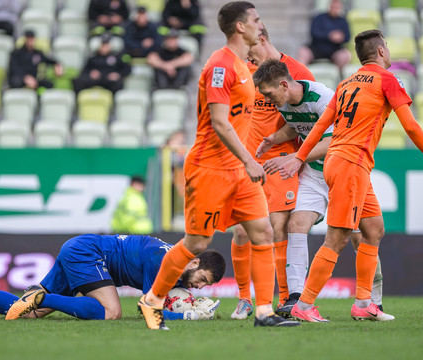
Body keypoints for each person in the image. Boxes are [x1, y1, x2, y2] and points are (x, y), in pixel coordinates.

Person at [137, 1, 300, 330]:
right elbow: (220, 123)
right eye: (254, 20)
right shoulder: (221, 65)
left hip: (238, 172)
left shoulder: (243, 65)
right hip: (211, 169)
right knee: (196, 243)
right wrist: (250, 160)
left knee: (263, 231)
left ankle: (264, 311)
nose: (260, 25)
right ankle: (153, 300)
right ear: (240, 26)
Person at [281, 29, 423, 322]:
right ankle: (304, 306)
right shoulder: (388, 79)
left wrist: (298, 157)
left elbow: (320, 127)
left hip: (340, 161)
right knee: (338, 238)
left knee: (373, 229)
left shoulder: (345, 83)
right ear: (382, 52)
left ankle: (363, 303)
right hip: (351, 164)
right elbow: (409, 126)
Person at [253, 59, 386, 318]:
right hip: (315, 174)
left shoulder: (322, 97)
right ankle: (295, 298)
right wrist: (273, 139)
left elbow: (337, 139)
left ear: (283, 84)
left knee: (362, 237)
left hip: (345, 171)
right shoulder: (284, 104)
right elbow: (297, 127)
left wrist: (295, 158)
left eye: (269, 94)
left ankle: (373, 300)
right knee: (296, 224)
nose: (268, 100)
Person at [229, 25, 315, 320]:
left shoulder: (298, 71)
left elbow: (311, 118)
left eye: (250, 49)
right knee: (241, 230)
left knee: (277, 227)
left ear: (262, 40)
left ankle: (283, 298)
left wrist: (299, 157)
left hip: (280, 160)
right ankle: (243, 299)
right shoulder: (242, 71)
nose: (247, 55)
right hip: (248, 161)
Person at [0, 234, 225, 321]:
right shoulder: (165, 261)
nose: (200, 286)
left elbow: (168, 296)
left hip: (81, 250)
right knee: (111, 312)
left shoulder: (178, 266)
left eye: (205, 286)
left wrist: (188, 299)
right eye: (202, 278)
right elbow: (147, 309)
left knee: (31, 313)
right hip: (88, 253)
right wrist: (186, 316)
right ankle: (40, 296)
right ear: (195, 262)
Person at [297, 0, 350, 70]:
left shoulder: (343, 21)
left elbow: (348, 37)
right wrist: (330, 36)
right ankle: (301, 76)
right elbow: (313, 32)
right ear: (329, 6)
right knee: (303, 51)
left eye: (337, 7)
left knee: (345, 55)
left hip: (334, 50)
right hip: (316, 49)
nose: (335, 8)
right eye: (333, 6)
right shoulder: (319, 17)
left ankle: (341, 78)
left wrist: (341, 38)